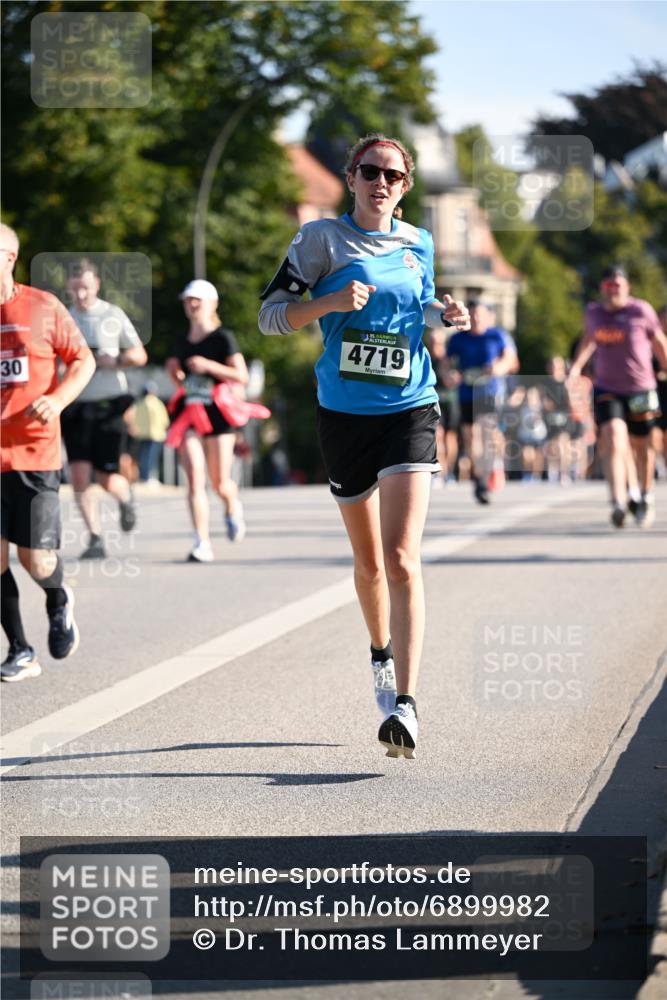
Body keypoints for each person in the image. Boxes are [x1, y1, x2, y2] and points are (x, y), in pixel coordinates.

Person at [259, 132, 470, 759]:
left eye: (395, 175)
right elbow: (270, 315)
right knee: (370, 563)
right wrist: (326, 301)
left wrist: (445, 313)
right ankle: (379, 651)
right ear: (351, 178)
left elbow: (418, 310)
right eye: (370, 171)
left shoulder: (418, 242)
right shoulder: (320, 239)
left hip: (410, 405)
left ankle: (406, 703)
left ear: (405, 188)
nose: (382, 183)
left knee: (404, 558)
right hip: (343, 413)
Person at [1, 224, 95, 681]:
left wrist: (57, 400)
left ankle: (58, 599)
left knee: (34, 560)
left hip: (35, 454)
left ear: (10, 257)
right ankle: (21, 649)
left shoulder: (42, 306)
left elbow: (83, 360)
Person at [61, 258, 148, 558]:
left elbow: (139, 354)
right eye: (75, 289)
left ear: (96, 284)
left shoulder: (112, 314)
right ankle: (95, 537)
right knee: (79, 476)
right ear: (69, 289)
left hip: (108, 404)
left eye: (85, 287)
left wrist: (116, 361)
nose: (81, 294)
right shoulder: (62, 318)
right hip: (74, 405)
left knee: (106, 477)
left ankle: (125, 498)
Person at [569, 265, 667, 528]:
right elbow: (588, 340)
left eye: (618, 287)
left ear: (627, 288)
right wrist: (577, 367)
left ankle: (645, 496)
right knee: (613, 435)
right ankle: (618, 502)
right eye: (608, 287)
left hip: (641, 388)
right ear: (602, 289)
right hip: (607, 388)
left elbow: (658, 341)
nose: (613, 292)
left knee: (642, 446)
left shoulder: (641, 311)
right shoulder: (594, 313)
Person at [165, 279, 250, 562]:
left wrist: (208, 366)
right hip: (189, 413)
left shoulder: (223, 338)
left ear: (212, 304)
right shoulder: (180, 339)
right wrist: (174, 372)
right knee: (193, 480)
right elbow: (177, 373)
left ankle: (231, 505)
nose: (191, 305)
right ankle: (201, 540)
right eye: (188, 301)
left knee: (219, 482)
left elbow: (241, 376)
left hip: (218, 414)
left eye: (197, 300)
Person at [440, 299, 518, 504]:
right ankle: (478, 477)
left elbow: (510, 359)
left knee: (486, 433)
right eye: (472, 315)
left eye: (479, 316)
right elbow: (445, 365)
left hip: (490, 392)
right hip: (466, 393)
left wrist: (497, 369)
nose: (476, 319)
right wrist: (449, 376)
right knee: (470, 439)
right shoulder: (458, 338)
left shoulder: (497, 335)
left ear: (487, 317)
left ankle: (485, 478)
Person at [130, 381, 170, 482]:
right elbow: (165, 420)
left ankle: (143, 476)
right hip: (155, 435)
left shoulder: (138, 403)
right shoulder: (156, 403)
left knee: (143, 456)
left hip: (140, 434)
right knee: (151, 457)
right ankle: (147, 477)